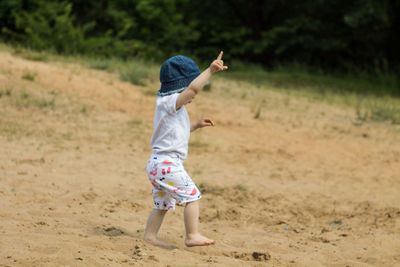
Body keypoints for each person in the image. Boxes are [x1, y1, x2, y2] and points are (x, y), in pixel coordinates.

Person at [144, 51, 228, 248]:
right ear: (180, 88)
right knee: (192, 196)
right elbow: (192, 90)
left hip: (158, 165)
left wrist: (196, 125)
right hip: (167, 164)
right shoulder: (169, 102)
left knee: (162, 205)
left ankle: (150, 237)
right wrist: (210, 71)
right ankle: (193, 234)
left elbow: (175, 132)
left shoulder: (172, 108)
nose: (191, 98)